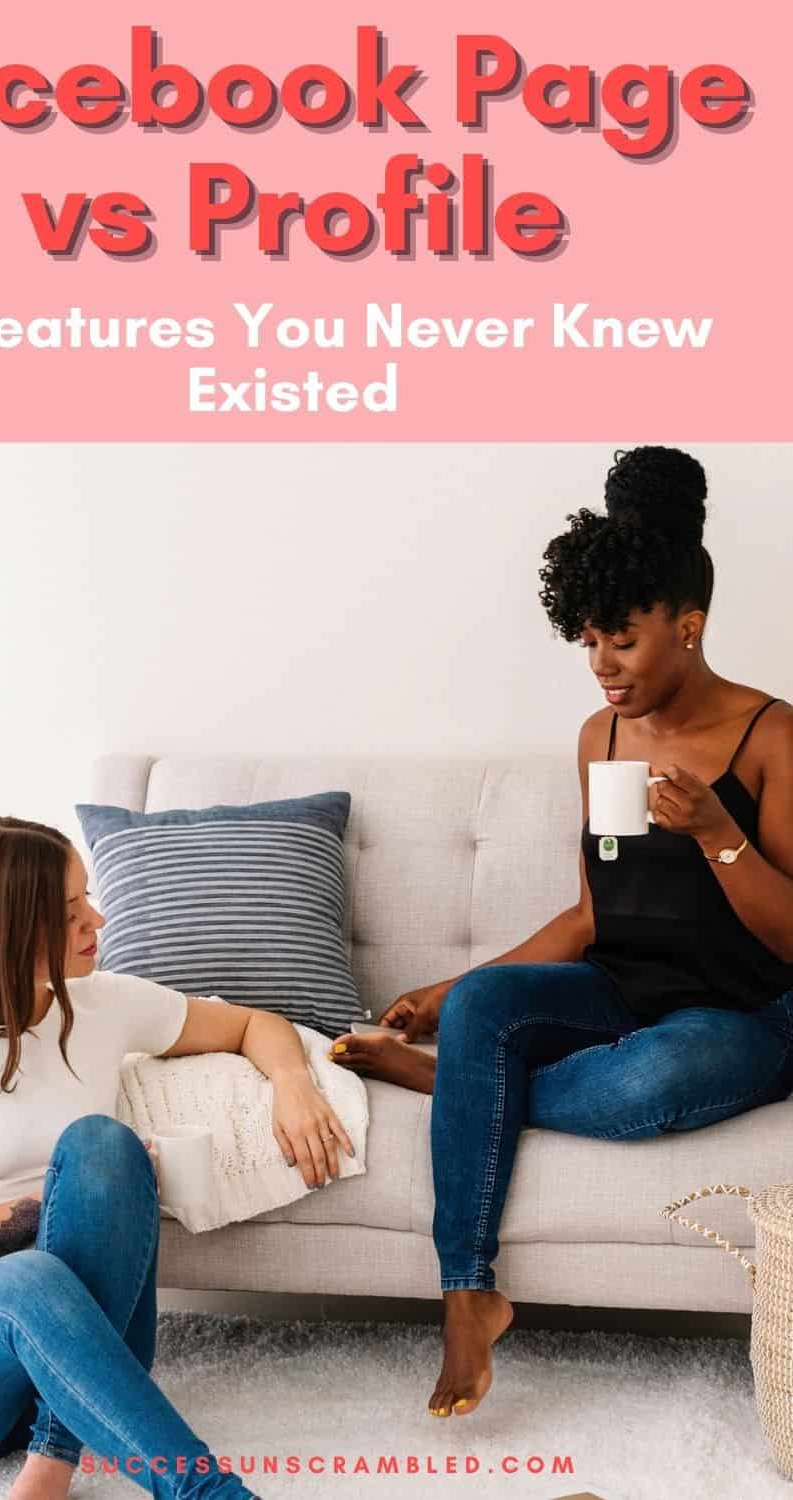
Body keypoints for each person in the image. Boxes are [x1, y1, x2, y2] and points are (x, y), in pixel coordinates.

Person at [326, 446, 793, 1422]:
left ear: (687, 625)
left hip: (746, 1011)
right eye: (586, 643)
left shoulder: (770, 738)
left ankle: (443, 1078)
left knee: (654, 1077)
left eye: (620, 640)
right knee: (490, 1004)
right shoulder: (603, 738)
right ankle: (466, 1293)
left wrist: (717, 832)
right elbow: (592, 912)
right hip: (624, 986)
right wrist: (453, 997)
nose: (601, 668)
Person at [0, 814, 355, 1500]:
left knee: (104, 1146)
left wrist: (293, 1086)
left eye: (88, 898)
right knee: (31, 1277)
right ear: (8, 923)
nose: (98, 919)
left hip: (76, 1357)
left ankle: (53, 1454)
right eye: (70, 910)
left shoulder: (103, 1005)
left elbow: (251, 1023)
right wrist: (53, 1212)